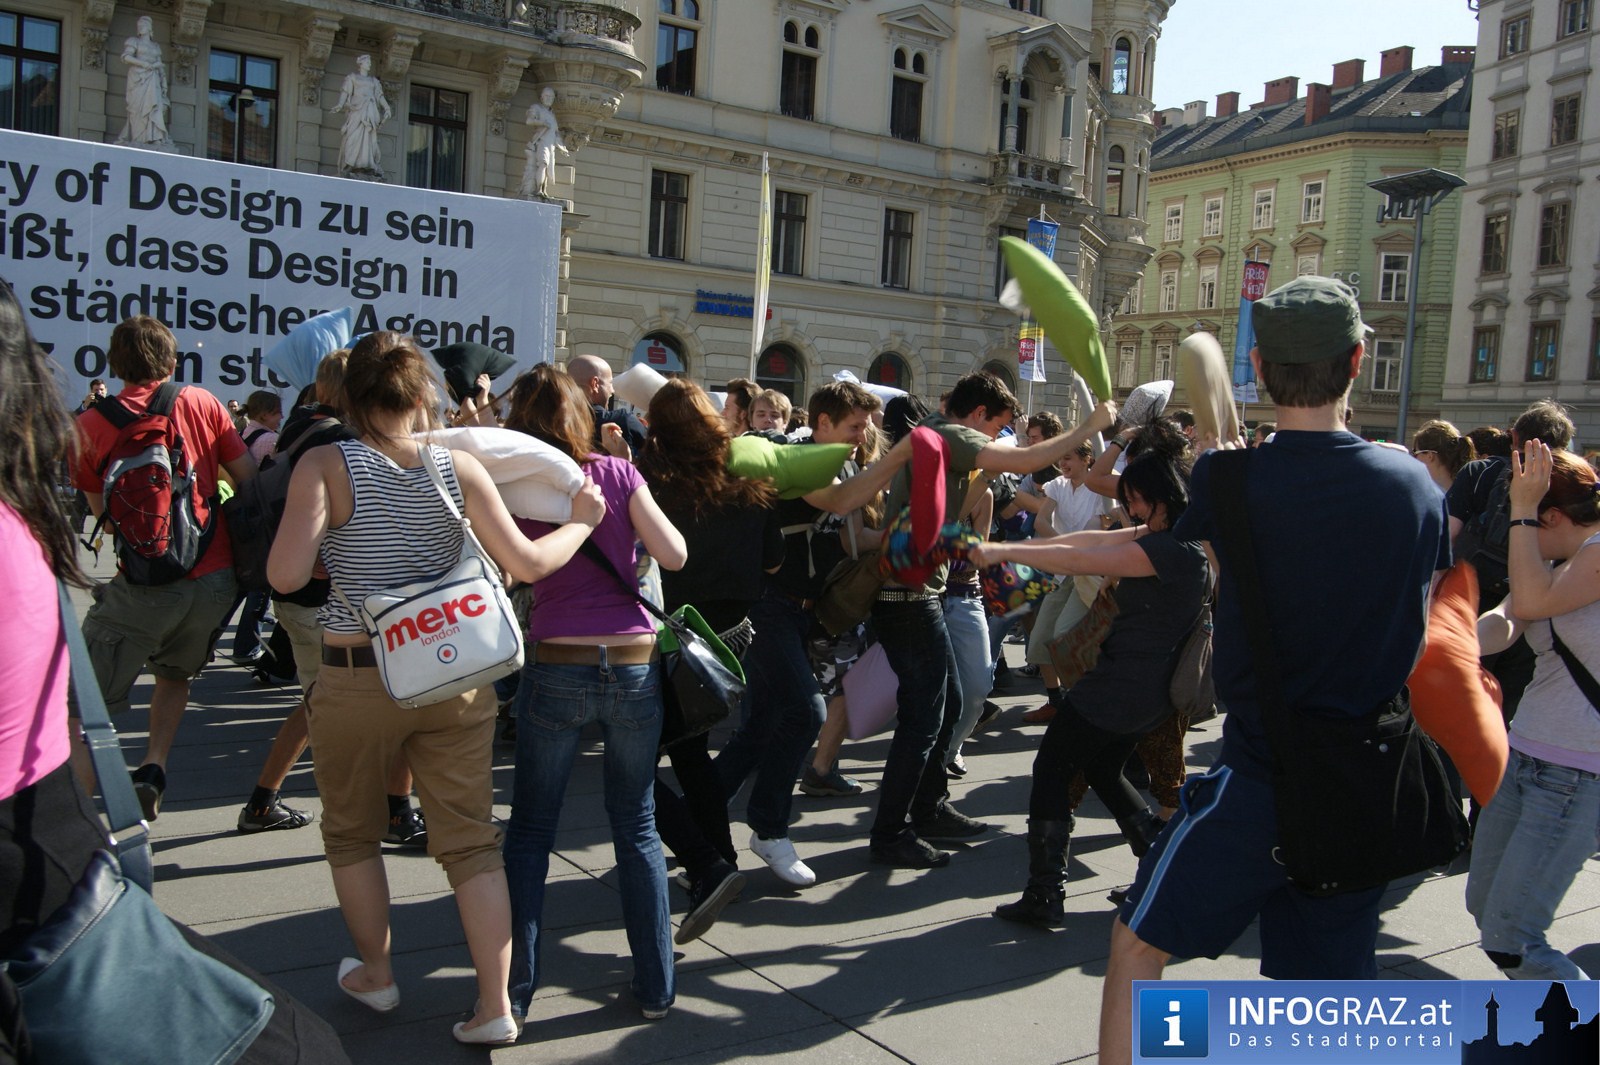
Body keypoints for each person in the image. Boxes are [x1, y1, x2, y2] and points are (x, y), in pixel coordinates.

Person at [1096, 277, 1450, 1064]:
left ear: (1258, 364)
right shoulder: (1416, 486)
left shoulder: (1228, 480)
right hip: (1362, 777)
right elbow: (1418, 621)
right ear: (1357, 361)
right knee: (1324, 1000)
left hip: (1261, 776)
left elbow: (1232, 581)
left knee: (1137, 943)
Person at [269, 333, 603, 1046]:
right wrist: (581, 521)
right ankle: (495, 1005)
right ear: (424, 394)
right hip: (454, 677)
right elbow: (527, 563)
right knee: (472, 845)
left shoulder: (325, 464)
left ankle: (377, 973)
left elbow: (285, 575)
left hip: (357, 677)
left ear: (346, 395)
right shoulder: (460, 467)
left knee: (352, 834)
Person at [866, 371, 1115, 869]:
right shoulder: (952, 432)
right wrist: (1092, 425)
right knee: (924, 718)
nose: (999, 438)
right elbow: (1026, 461)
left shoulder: (938, 433)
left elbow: (962, 505)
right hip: (908, 596)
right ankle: (892, 831)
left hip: (920, 592)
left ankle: (929, 808)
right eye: (998, 427)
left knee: (951, 704)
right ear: (978, 414)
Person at [499, 365, 686, 1024]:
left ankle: (513, 993)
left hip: (557, 659)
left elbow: (507, 570)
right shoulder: (616, 472)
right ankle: (657, 986)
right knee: (636, 825)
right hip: (633, 662)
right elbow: (674, 554)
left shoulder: (514, 483)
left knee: (530, 831)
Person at [973, 425, 1207, 925]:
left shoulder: (1167, 550)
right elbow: (1087, 540)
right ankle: (1163, 872)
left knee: (1051, 771)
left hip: (1118, 690)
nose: (1130, 509)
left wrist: (1004, 552)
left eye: (1135, 499)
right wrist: (1014, 549)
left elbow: (1082, 557)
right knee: (1102, 769)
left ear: (1160, 496)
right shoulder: (1174, 538)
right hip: (1144, 693)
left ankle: (1044, 893)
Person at [715, 379, 913, 883]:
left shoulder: (840, 462)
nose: (864, 434)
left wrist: (901, 537)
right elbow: (841, 502)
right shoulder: (797, 457)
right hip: (768, 607)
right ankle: (768, 829)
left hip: (802, 610)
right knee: (807, 711)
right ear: (822, 423)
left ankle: (694, 815)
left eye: (867, 426)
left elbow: (850, 537)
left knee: (762, 726)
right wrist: (900, 456)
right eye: (855, 426)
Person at [71, 316, 257, 820]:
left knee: (82, 706)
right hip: (213, 578)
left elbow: (102, 514)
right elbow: (246, 478)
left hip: (144, 583)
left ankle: (79, 825)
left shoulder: (90, 425)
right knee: (175, 676)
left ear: (115, 363)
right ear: (172, 360)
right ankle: (154, 766)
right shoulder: (202, 402)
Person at [636, 378, 782, 940]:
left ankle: (706, 863)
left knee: (634, 764)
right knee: (692, 750)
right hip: (729, 638)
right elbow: (773, 561)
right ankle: (719, 859)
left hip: (669, 637)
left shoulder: (651, 481)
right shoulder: (751, 480)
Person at [1468, 443, 1600, 981]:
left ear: (1552, 516)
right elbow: (1507, 620)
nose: (1512, 534)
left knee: (1513, 937)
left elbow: (1529, 604)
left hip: (1576, 773)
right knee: (1485, 908)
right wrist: (1443, 646)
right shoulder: (1549, 558)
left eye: (1521, 521)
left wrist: (1521, 509)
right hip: (1523, 755)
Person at [1450, 400, 1577, 725]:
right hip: (1535, 608)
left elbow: (1447, 535)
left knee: (1462, 704)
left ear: (1514, 436)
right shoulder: (1573, 489)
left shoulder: (1482, 472)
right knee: (1507, 704)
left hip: (1473, 597)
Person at [568, 353, 647, 458]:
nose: (612, 390)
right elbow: (660, 452)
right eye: (610, 383)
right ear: (595, 384)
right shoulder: (622, 421)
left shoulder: (555, 424)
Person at [332, 54, 391, 174]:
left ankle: (366, 164)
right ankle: (349, 163)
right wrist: (340, 104)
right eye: (367, 62)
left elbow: (379, 96)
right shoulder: (353, 78)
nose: (370, 64)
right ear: (361, 64)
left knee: (368, 139)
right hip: (356, 112)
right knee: (352, 138)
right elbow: (345, 92)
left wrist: (387, 108)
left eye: (370, 62)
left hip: (369, 113)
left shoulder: (373, 81)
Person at [118, 16, 170, 147]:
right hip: (138, 78)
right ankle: (139, 138)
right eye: (139, 25)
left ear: (149, 28)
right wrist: (143, 64)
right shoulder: (134, 41)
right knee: (137, 109)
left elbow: (160, 66)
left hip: (153, 78)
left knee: (155, 106)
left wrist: (164, 83)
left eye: (143, 25)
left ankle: (155, 136)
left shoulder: (156, 46)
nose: (140, 27)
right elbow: (126, 57)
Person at [520, 87, 568, 198]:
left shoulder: (552, 115)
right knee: (543, 164)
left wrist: (562, 148)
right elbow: (529, 121)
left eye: (551, 97)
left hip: (550, 146)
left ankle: (543, 190)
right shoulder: (536, 108)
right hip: (541, 142)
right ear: (541, 98)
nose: (549, 99)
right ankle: (538, 190)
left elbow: (556, 134)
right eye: (546, 96)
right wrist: (542, 123)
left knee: (547, 168)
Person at [1410, 419, 1476, 493]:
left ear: (1430, 455)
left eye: (1415, 452)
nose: (1413, 458)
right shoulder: (1469, 489)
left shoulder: (1425, 495)